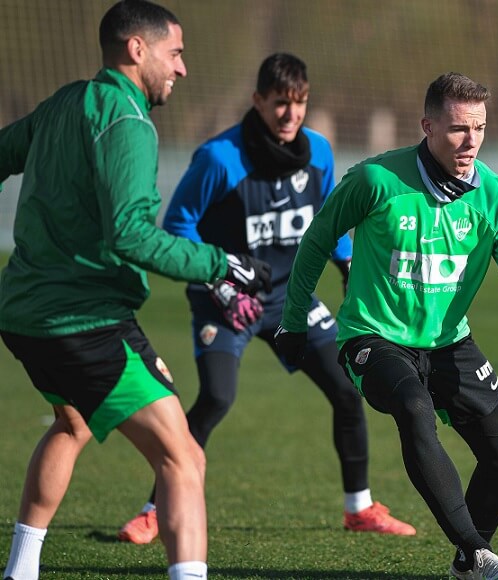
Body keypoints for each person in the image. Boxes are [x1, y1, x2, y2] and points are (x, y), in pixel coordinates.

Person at [275, 72, 498, 580]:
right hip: (373, 338)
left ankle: (466, 561)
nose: (471, 140)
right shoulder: (376, 180)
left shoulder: (495, 198)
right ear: (428, 125)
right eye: (459, 128)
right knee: (414, 408)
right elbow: (317, 240)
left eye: (479, 127)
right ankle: (478, 553)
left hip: (449, 342)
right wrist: (293, 323)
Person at [0, 1, 272, 579]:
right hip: (83, 320)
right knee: (183, 457)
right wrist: (218, 264)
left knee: (71, 424)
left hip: (24, 314)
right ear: (137, 50)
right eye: (175, 53)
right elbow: (130, 235)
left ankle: (20, 570)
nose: (183, 69)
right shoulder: (128, 123)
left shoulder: (64, 102)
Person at [116, 53, 416, 545]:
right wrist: (218, 284)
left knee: (347, 388)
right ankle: (154, 509)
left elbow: (328, 216)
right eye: (280, 103)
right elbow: (177, 226)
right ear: (257, 101)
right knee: (215, 398)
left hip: (286, 300)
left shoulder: (317, 151)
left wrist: (346, 264)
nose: (290, 115)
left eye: (299, 103)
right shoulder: (219, 158)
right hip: (225, 298)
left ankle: (359, 508)